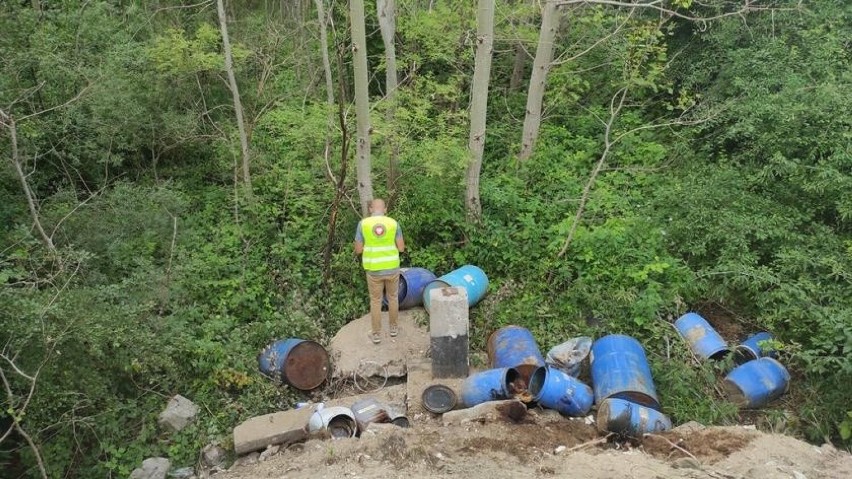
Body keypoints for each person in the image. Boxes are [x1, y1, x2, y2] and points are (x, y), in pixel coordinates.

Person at [354, 199, 405, 344]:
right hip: (392, 268)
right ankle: (393, 329)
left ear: (371, 209)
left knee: (376, 301)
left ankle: (376, 334)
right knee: (393, 297)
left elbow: (358, 250)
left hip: (373, 270)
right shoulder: (394, 223)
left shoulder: (363, 224)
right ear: (385, 209)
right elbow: (401, 248)